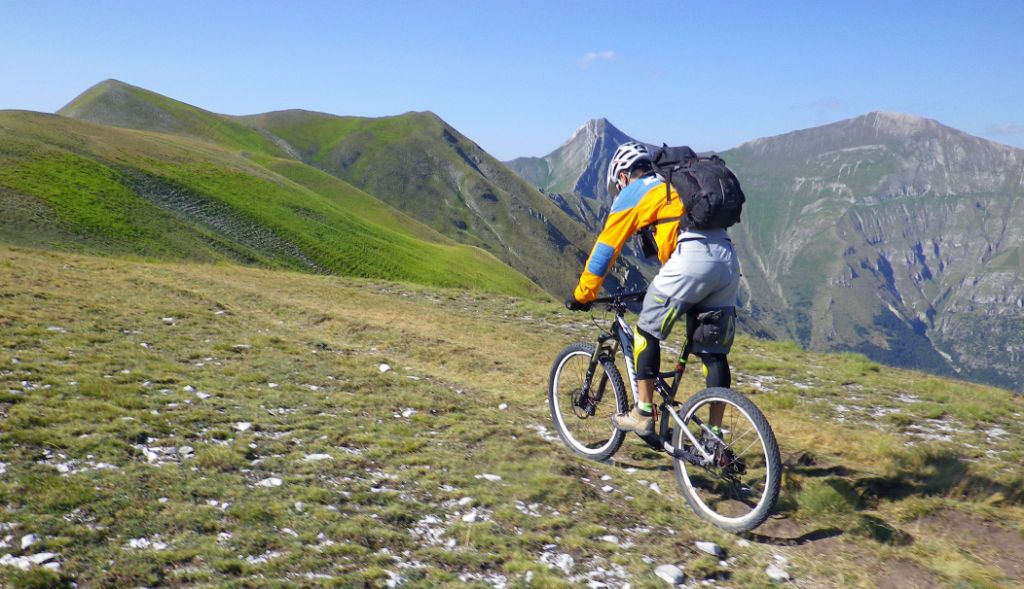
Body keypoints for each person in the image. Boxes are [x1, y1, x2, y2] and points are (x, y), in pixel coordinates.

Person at [565, 141, 740, 434]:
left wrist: (583, 294)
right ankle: (714, 435)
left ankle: (643, 413)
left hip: (689, 263)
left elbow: (604, 251)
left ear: (622, 176)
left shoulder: (633, 193)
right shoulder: (673, 185)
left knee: (646, 329)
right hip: (727, 259)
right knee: (712, 352)